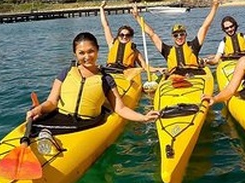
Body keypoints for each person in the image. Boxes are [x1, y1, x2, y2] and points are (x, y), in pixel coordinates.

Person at [27, 32, 158, 132]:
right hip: (60, 118)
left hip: (87, 125)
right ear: (75, 54)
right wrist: (39, 109)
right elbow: (51, 102)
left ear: (97, 50)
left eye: (91, 51)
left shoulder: (106, 79)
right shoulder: (66, 72)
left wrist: (144, 117)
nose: (87, 57)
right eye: (81, 53)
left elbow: (120, 108)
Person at [132, 0, 221, 75]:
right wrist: (137, 17)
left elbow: (205, 26)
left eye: (181, 34)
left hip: (194, 75)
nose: (179, 37)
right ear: (172, 37)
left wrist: (215, 6)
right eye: (176, 35)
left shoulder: (194, 45)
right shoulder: (167, 50)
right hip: (175, 77)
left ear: (186, 35)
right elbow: (151, 34)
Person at [99, 1, 149, 72]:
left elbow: (146, 67)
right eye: (122, 35)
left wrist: (159, 69)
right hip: (112, 73)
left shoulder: (135, 51)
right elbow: (106, 26)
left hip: (126, 75)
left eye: (127, 35)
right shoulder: (112, 43)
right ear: (118, 36)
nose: (124, 37)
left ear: (131, 37)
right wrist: (101, 9)